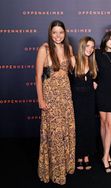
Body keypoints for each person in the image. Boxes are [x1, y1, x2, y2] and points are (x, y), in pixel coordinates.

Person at [35, 20, 76, 185]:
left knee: (67, 130)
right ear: (50, 33)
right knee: (54, 134)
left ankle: (65, 166)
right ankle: (53, 171)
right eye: (54, 32)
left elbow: (75, 68)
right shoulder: (44, 49)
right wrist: (40, 99)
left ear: (65, 33)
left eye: (60, 32)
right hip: (50, 96)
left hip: (66, 95)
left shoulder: (69, 49)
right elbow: (38, 77)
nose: (58, 36)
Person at [69, 36, 98, 171]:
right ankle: (79, 156)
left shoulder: (93, 62)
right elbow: (68, 81)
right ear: (82, 46)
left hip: (90, 99)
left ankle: (86, 155)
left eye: (92, 47)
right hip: (77, 99)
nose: (90, 49)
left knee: (89, 127)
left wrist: (96, 82)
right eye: (87, 46)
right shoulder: (74, 60)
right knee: (78, 127)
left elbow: (99, 77)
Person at [96, 31, 111, 173]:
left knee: (110, 124)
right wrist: (93, 81)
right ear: (105, 40)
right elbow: (84, 62)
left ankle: (105, 157)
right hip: (101, 92)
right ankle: (107, 153)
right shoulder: (97, 53)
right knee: (103, 122)